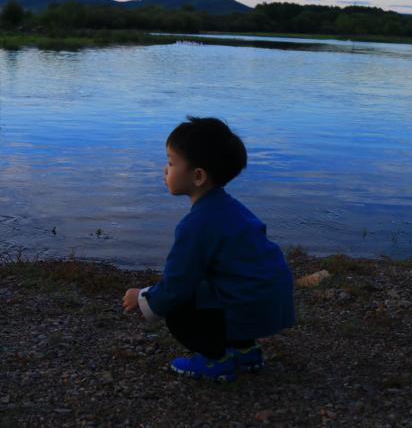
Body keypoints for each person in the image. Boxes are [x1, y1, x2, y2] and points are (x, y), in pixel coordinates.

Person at [122, 116, 295, 382]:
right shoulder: (231, 208)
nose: (165, 170)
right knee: (220, 282)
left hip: (248, 304)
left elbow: (176, 284)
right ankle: (245, 350)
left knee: (178, 308)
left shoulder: (196, 225)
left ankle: (216, 361)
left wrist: (142, 297)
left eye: (171, 162)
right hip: (271, 300)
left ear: (198, 176)